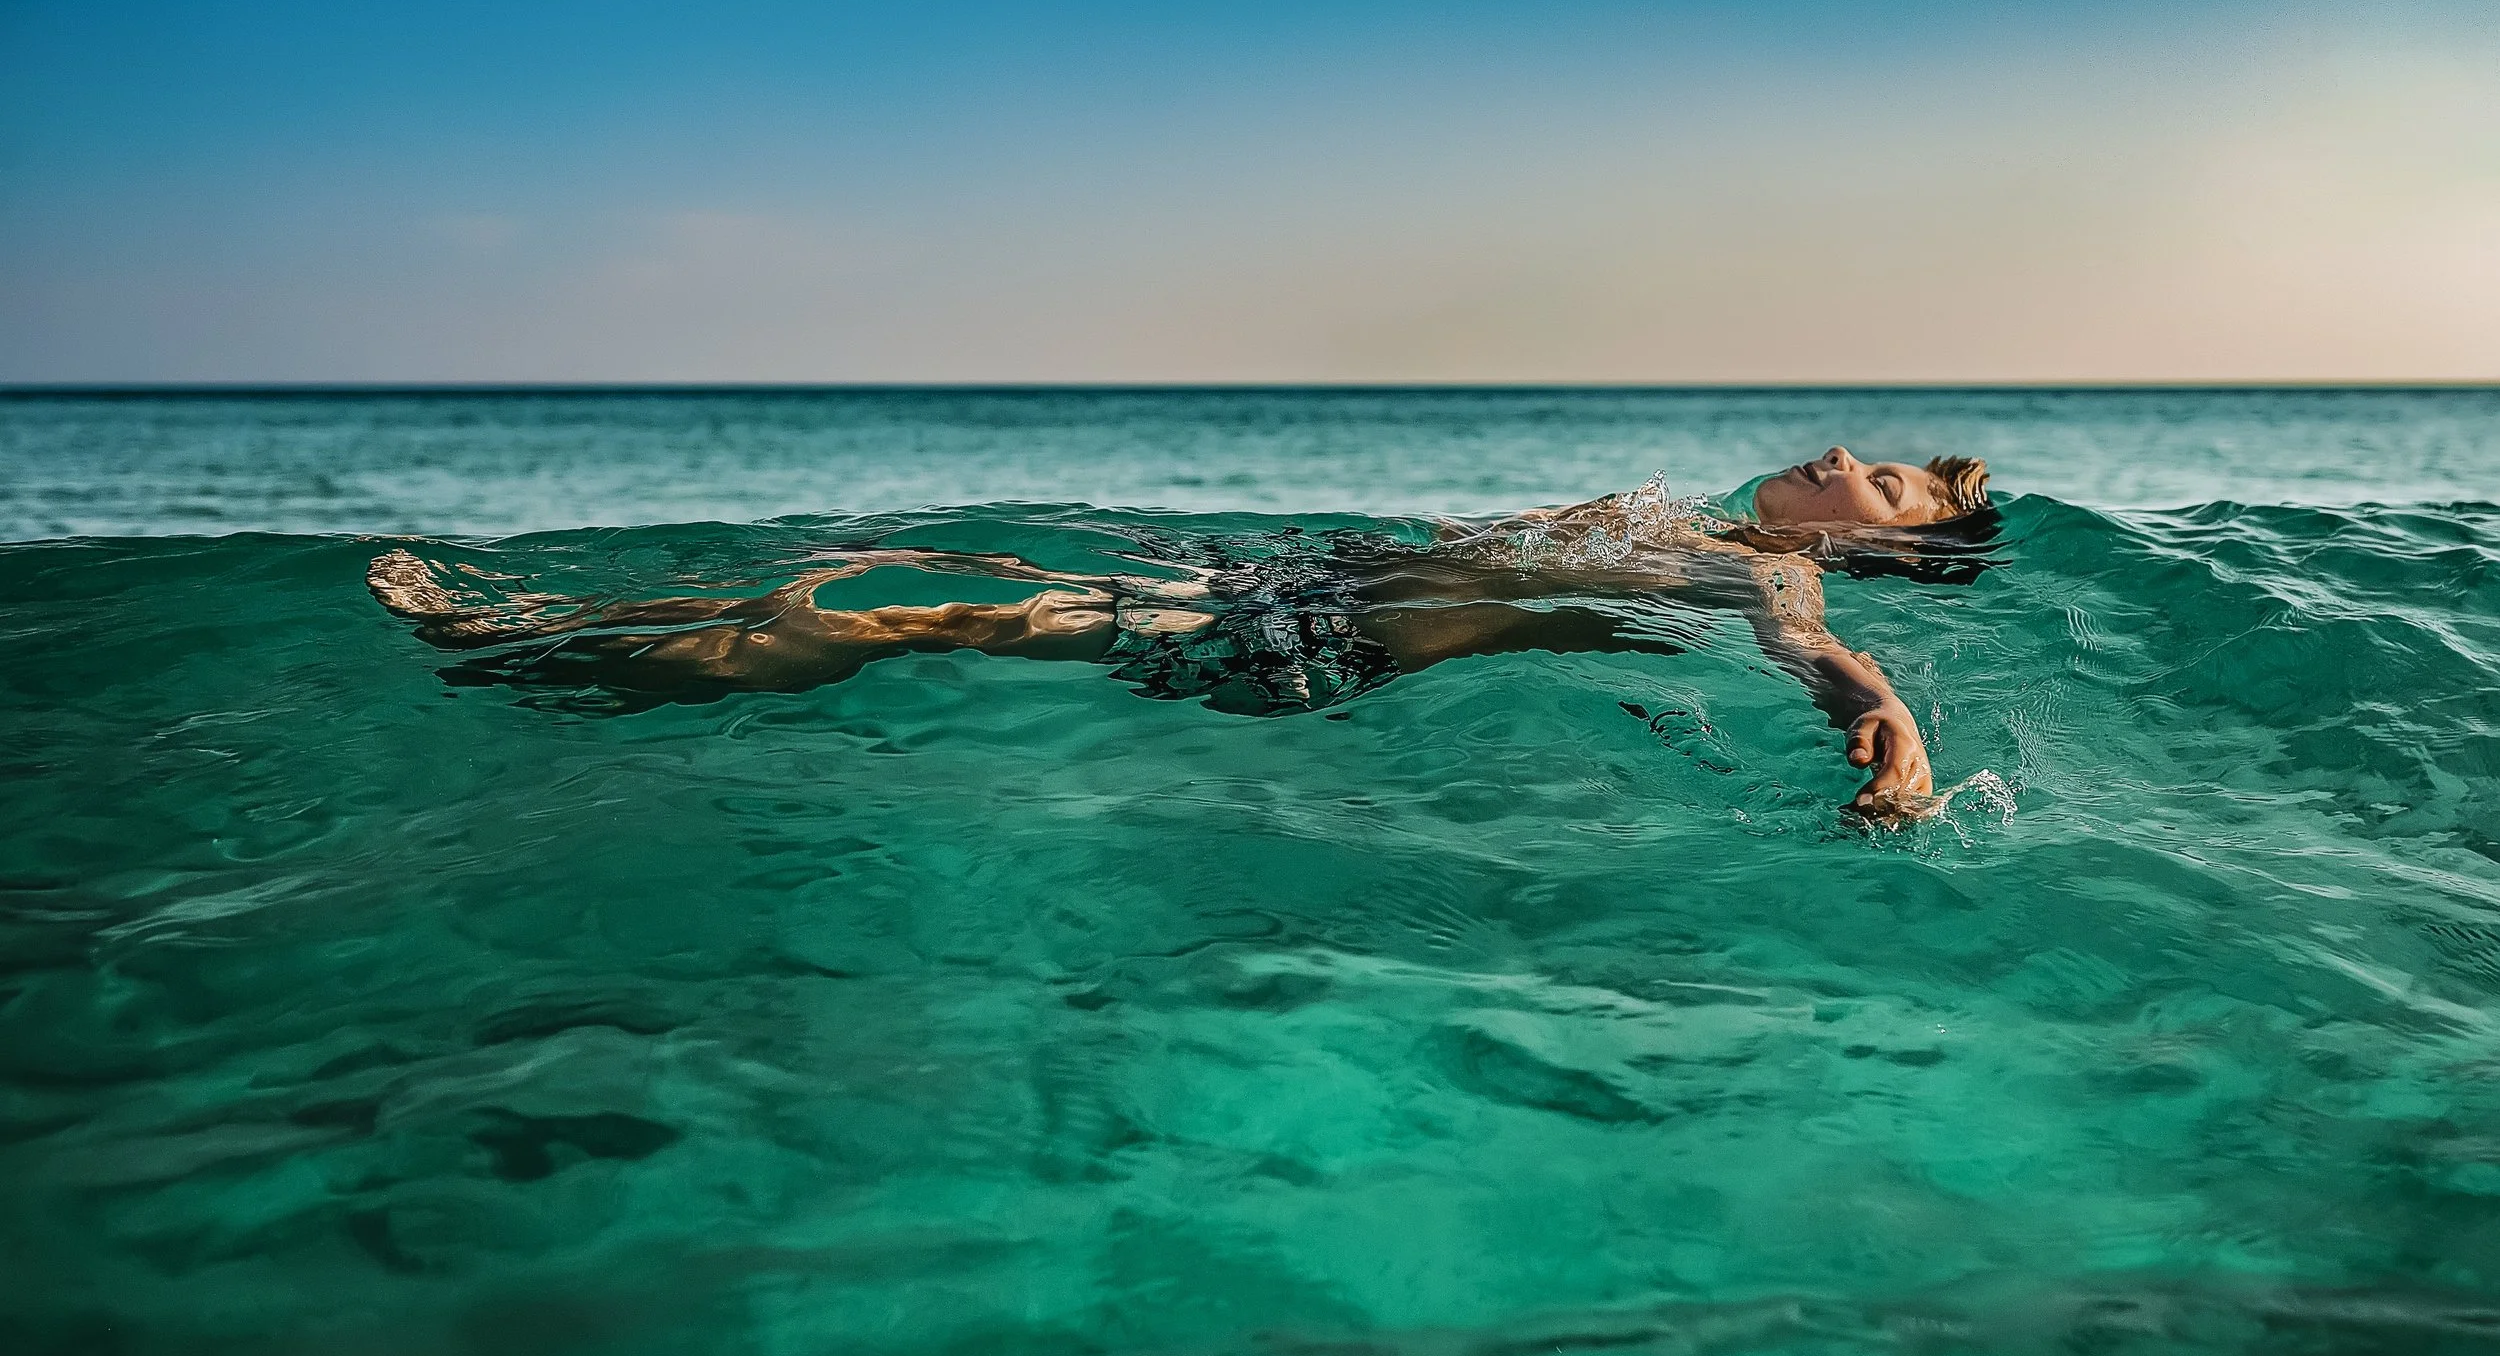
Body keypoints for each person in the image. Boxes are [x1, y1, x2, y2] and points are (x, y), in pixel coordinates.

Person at [367, 447, 1997, 817]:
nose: (1853, 461)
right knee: (882, 571)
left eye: (1901, 488)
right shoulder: (1691, 523)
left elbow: (1822, 662)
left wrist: (1895, 732)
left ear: (1891, 553)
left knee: (911, 609)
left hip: (1301, 644)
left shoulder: (1780, 578)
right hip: (1293, 578)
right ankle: (558, 635)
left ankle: (543, 666)